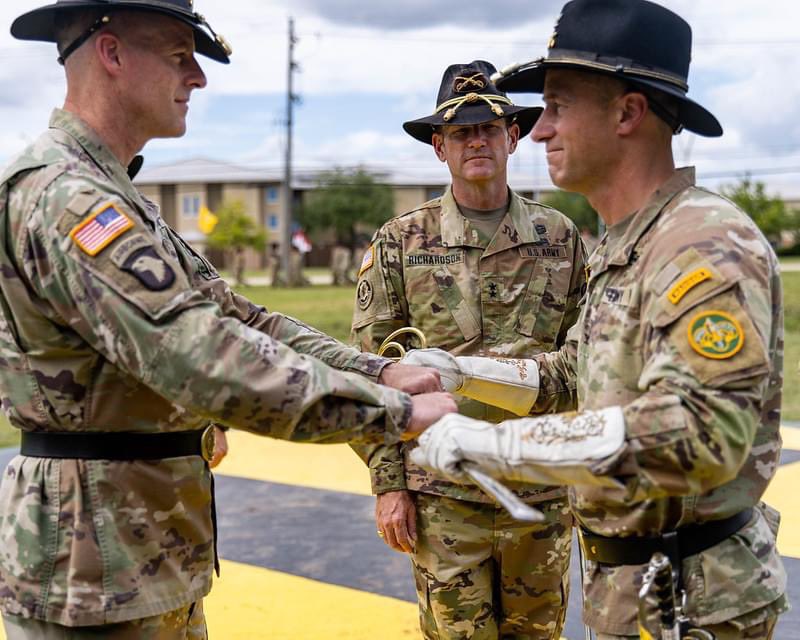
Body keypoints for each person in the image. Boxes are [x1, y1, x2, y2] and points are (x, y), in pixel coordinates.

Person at [0, 2, 456, 637]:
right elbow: (202, 356)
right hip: (92, 569)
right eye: (179, 55)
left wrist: (379, 370)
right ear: (111, 54)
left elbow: (242, 318)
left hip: (141, 555)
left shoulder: (117, 194)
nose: (199, 79)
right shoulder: (68, 196)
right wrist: (391, 414)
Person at [410, 1, 789, 638]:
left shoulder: (702, 243)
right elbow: (570, 376)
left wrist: (501, 445)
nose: (536, 132)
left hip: (692, 600)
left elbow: (700, 432)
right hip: (632, 589)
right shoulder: (624, 244)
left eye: (557, 106)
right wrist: (463, 373)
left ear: (627, 112)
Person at [351, 60, 588, 639]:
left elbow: (589, 361)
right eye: (461, 132)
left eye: (489, 128)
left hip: (542, 493)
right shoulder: (401, 242)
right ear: (440, 147)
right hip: (444, 499)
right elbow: (368, 372)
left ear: (513, 136)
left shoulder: (560, 237)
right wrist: (389, 486)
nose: (476, 141)